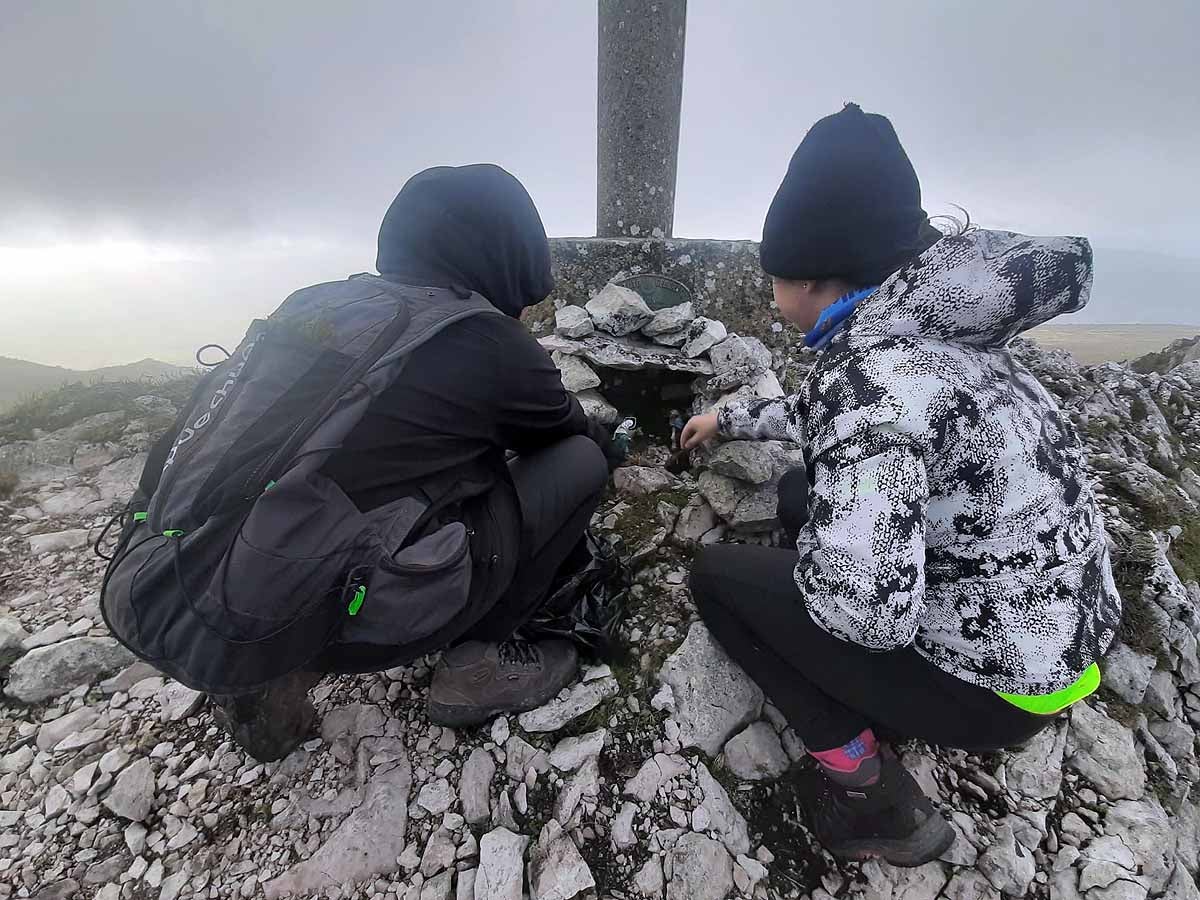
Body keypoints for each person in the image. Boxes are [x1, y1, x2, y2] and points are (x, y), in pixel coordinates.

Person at [680, 104, 1122, 867]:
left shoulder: (870, 375)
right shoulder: (936, 333)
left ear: (815, 278)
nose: (773, 299)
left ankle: (867, 792)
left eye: (776, 281)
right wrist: (732, 418)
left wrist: (816, 554)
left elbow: (867, 611)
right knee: (797, 495)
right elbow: (858, 419)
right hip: (1060, 647)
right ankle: (877, 692)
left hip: (997, 692)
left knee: (718, 579)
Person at [213, 165, 614, 757]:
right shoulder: (483, 337)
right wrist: (613, 439)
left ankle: (278, 663)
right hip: (359, 599)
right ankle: (478, 657)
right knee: (581, 463)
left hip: (230, 578)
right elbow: (564, 430)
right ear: (502, 257)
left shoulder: (317, 306)